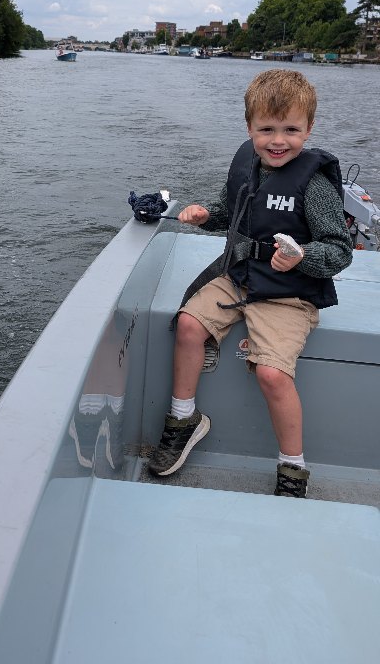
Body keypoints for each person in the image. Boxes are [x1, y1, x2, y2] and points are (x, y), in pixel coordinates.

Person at [149, 69, 353, 497]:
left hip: (289, 295)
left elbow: (340, 250)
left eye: (290, 130)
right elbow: (232, 213)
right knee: (188, 325)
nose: (278, 141)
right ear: (249, 128)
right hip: (239, 277)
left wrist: (302, 255)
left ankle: (293, 468)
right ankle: (183, 419)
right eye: (267, 130)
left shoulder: (314, 185)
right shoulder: (248, 168)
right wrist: (206, 216)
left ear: (308, 129)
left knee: (272, 375)